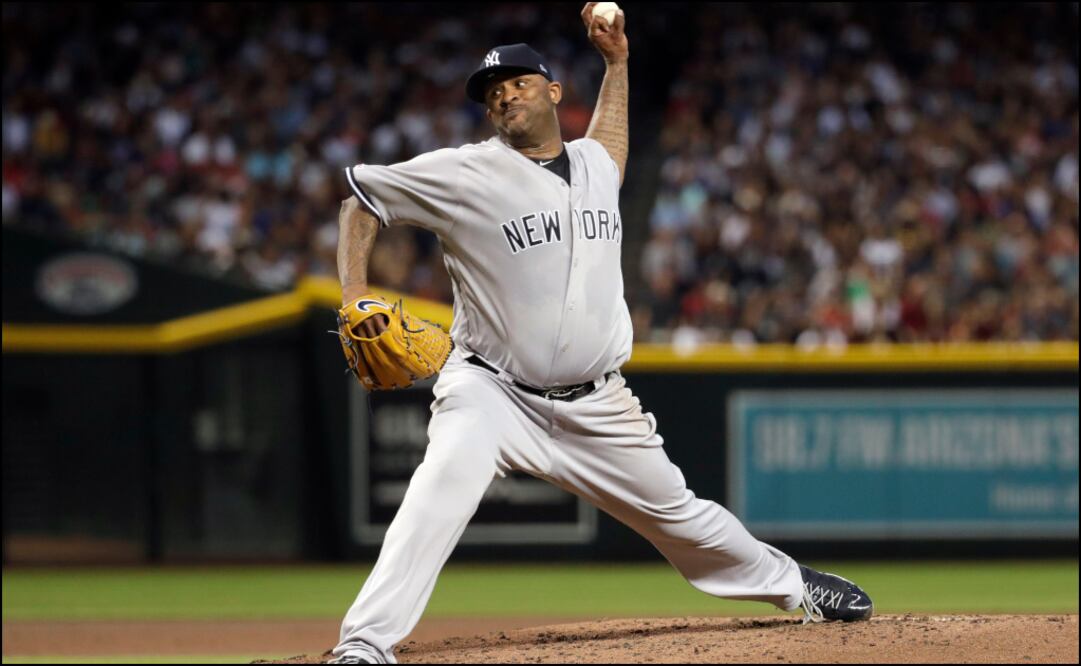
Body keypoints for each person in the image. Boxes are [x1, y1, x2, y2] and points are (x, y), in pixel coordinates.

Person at [331, 5, 872, 663]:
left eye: (519, 82)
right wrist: (355, 295)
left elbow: (610, 138)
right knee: (435, 493)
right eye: (492, 92)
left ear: (553, 91)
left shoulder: (593, 164)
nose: (505, 94)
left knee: (684, 518)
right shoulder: (464, 171)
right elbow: (360, 200)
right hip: (492, 393)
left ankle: (793, 587)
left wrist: (616, 62)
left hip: (598, 404)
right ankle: (364, 644)